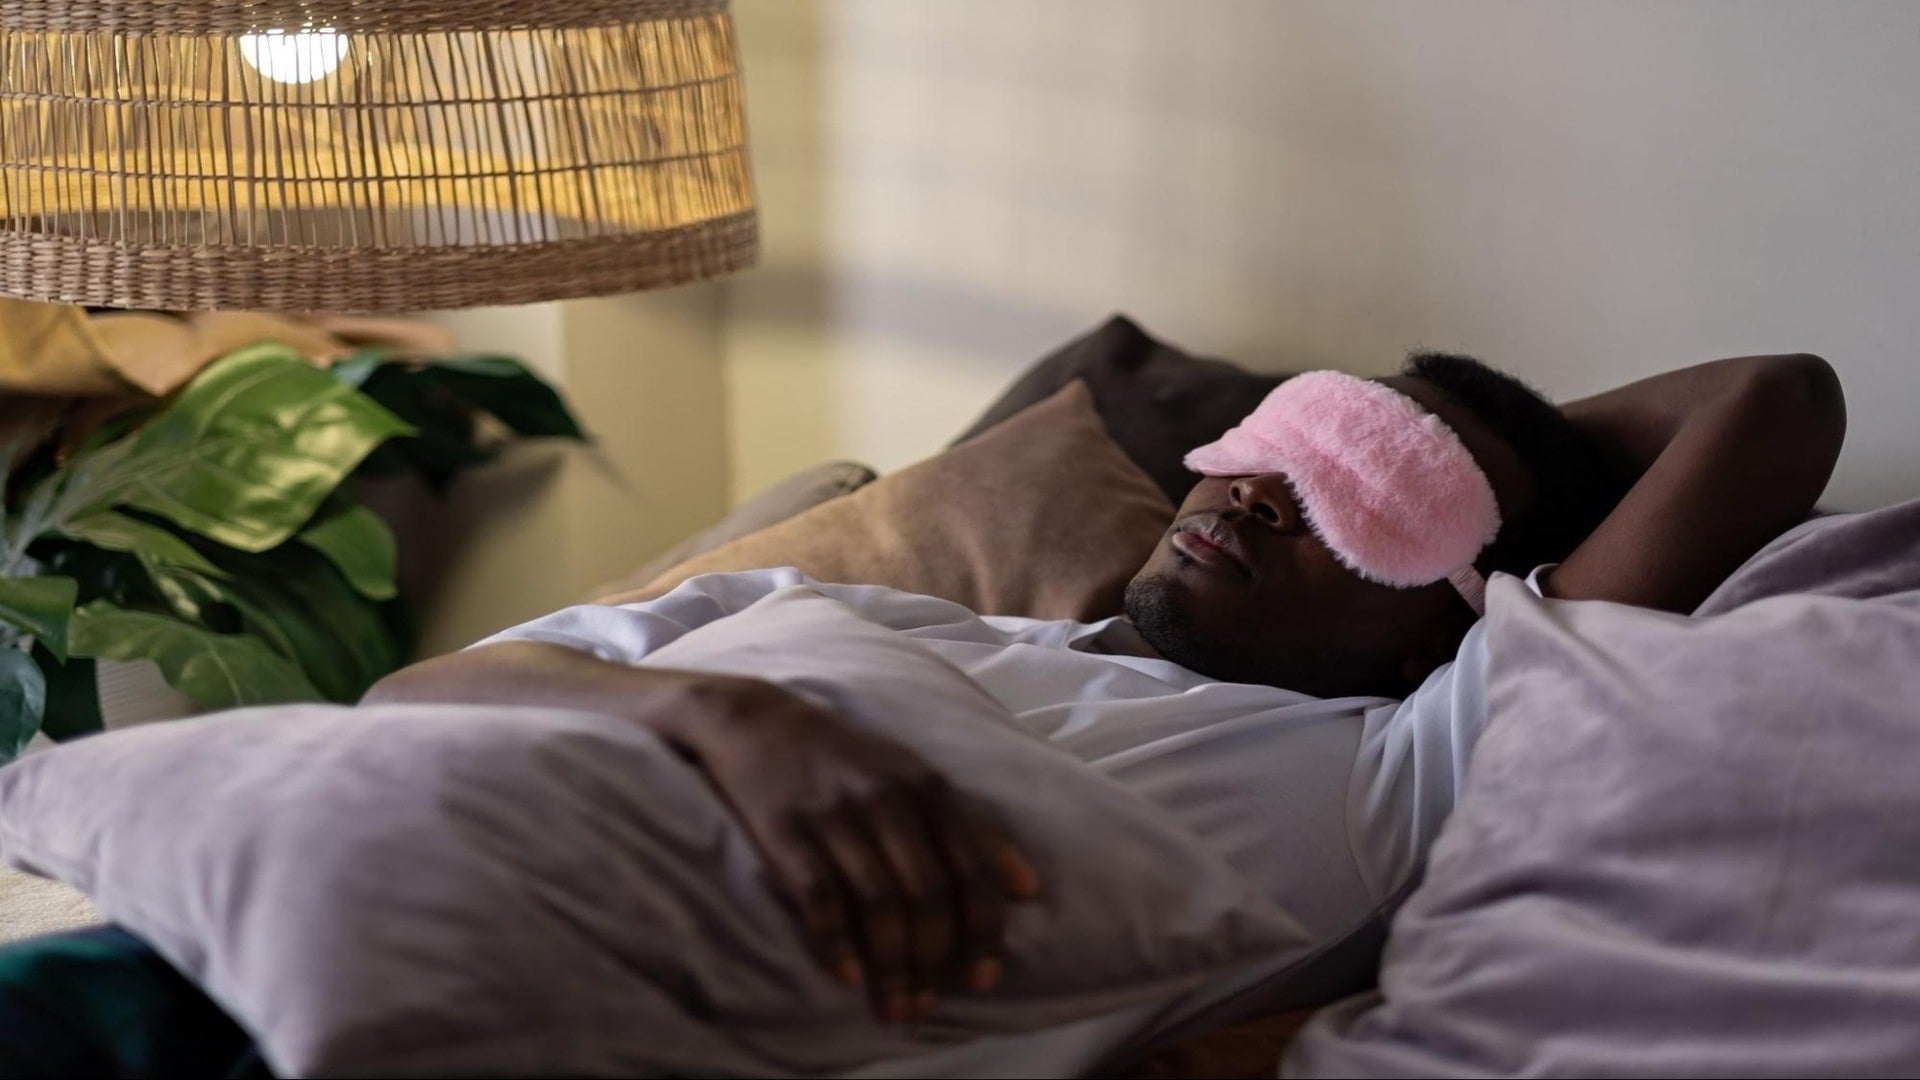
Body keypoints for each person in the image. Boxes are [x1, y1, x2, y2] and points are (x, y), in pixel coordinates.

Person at [0, 351, 1847, 1078]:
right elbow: (416, 691)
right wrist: (726, 723)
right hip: (176, 943)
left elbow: (1775, 400)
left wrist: (1478, 488)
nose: (1255, 487)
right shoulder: (859, 607)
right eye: (1266, 444)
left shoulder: (1407, 766)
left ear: (1462, 609)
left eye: (1355, 498)